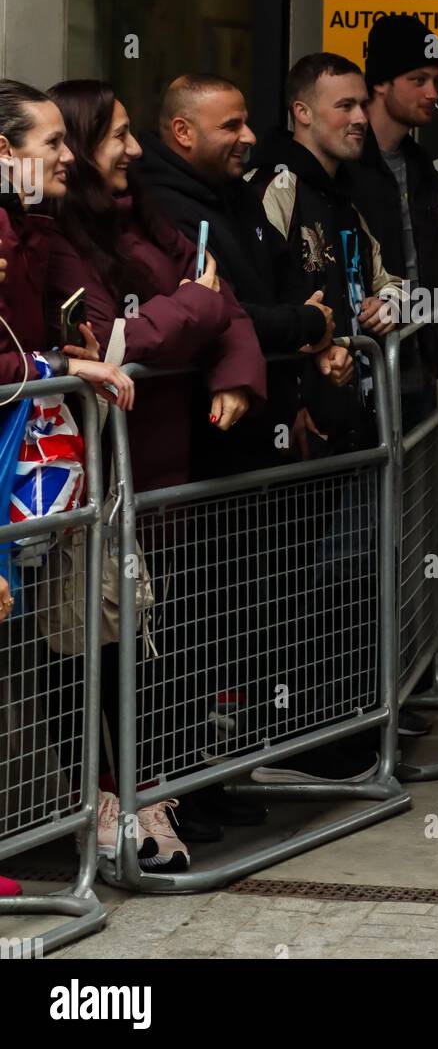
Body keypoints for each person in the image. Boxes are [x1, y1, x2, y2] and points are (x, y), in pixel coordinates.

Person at [46, 79, 267, 871]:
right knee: (102, 651)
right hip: (104, 482)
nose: (134, 151)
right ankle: (116, 809)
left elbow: (226, 302)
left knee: (164, 651)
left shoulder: (144, 210)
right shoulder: (59, 234)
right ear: (73, 148)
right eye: (118, 137)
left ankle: (156, 798)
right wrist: (196, 311)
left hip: (169, 478)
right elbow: (112, 344)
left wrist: (235, 372)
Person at [246, 53, 399, 779]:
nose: (359, 119)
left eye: (361, 106)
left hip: (350, 421)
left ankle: (338, 727)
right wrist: (301, 386)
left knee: (344, 582)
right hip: (295, 431)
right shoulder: (275, 188)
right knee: (288, 589)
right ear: (302, 112)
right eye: (342, 106)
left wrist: (387, 306)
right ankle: (290, 731)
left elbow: (385, 276)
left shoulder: (350, 194)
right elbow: (256, 300)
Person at [0, 79, 133, 899]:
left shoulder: (34, 230)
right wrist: (57, 366)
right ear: (4, 153)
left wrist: (68, 344)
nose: (66, 155)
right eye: (49, 142)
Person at [133, 72, 337, 474]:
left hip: (265, 431)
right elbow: (222, 315)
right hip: (206, 451)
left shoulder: (237, 191)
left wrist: (319, 338)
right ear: (183, 132)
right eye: (231, 126)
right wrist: (309, 324)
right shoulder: (159, 207)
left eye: (245, 122)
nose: (249, 137)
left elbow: (286, 274)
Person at [345, 13, 438, 429]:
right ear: (380, 83)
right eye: (418, 79)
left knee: (417, 492)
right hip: (361, 367)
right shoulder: (345, 165)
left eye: (436, 80)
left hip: (417, 360)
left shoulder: (420, 167)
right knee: (361, 492)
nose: (432, 92)